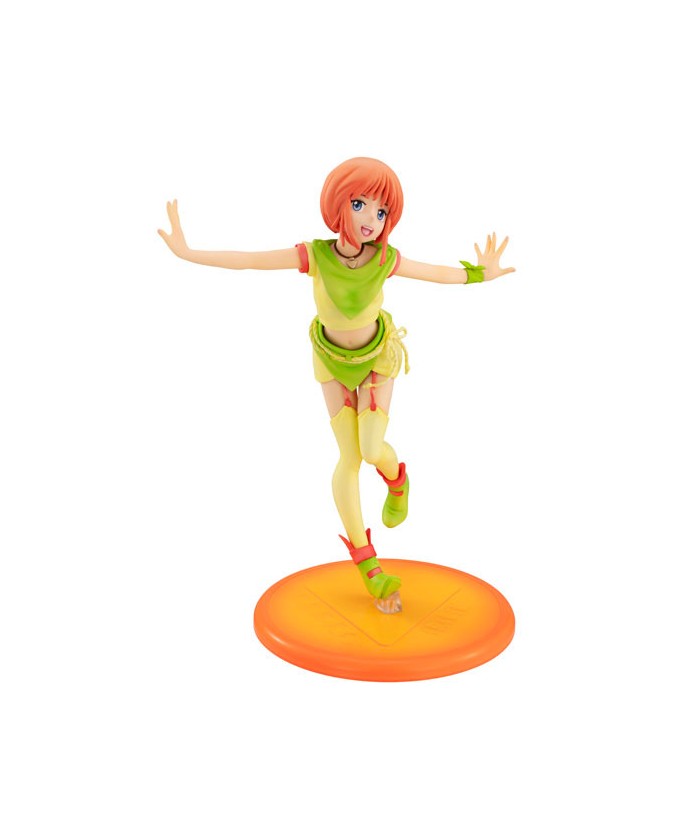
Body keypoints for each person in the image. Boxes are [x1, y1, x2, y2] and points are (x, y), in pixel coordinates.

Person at [158, 157, 515, 612]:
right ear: (338, 204)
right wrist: (188, 253)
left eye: (381, 211)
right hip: (331, 361)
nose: (371, 219)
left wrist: (481, 273)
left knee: (371, 448)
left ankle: (397, 480)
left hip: (377, 358)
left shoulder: (385, 259)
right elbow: (250, 261)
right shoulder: (316, 255)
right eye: (360, 204)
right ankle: (371, 568)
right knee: (349, 458)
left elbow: (436, 273)